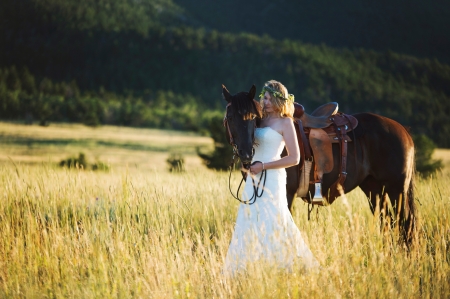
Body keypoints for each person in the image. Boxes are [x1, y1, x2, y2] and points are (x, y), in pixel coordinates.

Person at [223, 80, 320, 275]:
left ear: (277, 99)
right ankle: (245, 269)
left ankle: (280, 268)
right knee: (248, 219)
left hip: (273, 177)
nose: (264, 101)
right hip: (253, 177)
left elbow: (294, 158)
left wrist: (264, 166)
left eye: (268, 98)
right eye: (263, 98)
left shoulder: (286, 122)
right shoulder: (259, 119)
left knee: (273, 220)